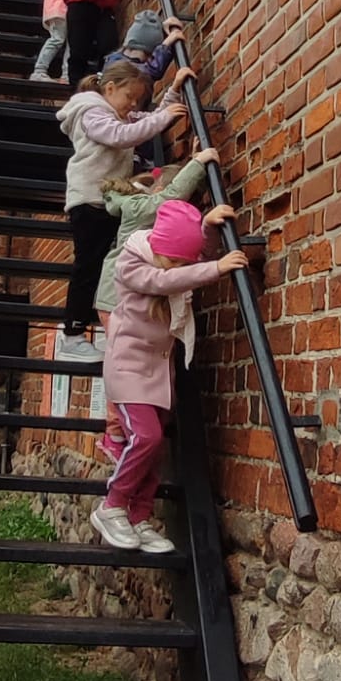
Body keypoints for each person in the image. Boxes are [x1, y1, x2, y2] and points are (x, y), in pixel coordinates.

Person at [90, 200, 247, 553]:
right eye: (173, 260)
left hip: (159, 375)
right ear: (158, 248)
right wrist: (216, 268)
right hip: (128, 370)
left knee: (155, 448)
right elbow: (165, 280)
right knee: (146, 437)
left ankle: (139, 517)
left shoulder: (172, 261)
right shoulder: (132, 263)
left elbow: (191, 261)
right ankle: (112, 505)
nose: (179, 267)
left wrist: (207, 228)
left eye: (182, 262)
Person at [55, 58, 196, 361]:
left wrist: (173, 91)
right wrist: (163, 117)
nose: (133, 105)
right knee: (89, 267)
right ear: (109, 88)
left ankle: (104, 326)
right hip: (89, 202)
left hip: (104, 202)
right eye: (129, 96)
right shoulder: (92, 113)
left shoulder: (116, 114)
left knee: (109, 266)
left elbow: (151, 119)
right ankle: (72, 335)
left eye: (137, 100)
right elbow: (123, 136)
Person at [93, 146, 219, 464]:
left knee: (143, 360)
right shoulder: (140, 207)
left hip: (141, 300)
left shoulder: (155, 218)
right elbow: (169, 200)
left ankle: (137, 426)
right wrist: (197, 164)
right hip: (115, 297)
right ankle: (115, 434)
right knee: (123, 361)